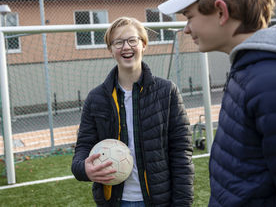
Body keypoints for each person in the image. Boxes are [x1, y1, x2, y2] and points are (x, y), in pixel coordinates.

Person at [158, 0, 276, 206]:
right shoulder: (250, 71)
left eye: (189, 16)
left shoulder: (270, 82)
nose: (186, 29)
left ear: (221, 11)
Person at [71, 16, 194, 206]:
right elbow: (82, 149)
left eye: (132, 40)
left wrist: (182, 203)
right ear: (110, 50)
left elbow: (181, 153)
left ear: (143, 44)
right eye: (118, 42)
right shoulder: (96, 98)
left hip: (159, 200)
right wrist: (83, 170)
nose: (126, 47)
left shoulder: (167, 92)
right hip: (116, 201)